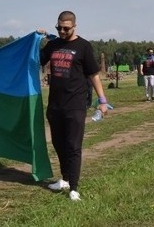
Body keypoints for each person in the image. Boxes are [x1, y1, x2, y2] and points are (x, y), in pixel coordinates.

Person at [39, 10, 109, 202]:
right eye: (58, 27)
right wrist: (36, 40)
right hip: (55, 104)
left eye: (65, 28)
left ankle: (74, 188)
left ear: (74, 26)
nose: (62, 31)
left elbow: (94, 75)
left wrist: (102, 100)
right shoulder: (53, 45)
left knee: (73, 145)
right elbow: (36, 60)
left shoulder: (83, 46)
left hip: (75, 104)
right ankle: (65, 179)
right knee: (58, 143)